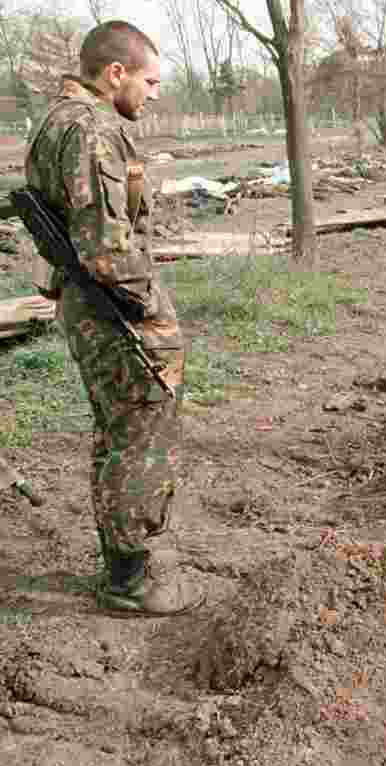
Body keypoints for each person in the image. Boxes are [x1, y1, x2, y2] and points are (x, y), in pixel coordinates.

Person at [23, 21, 204, 615]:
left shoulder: (53, 121)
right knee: (143, 431)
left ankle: (123, 563)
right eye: (150, 81)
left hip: (86, 304)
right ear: (115, 72)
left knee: (116, 432)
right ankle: (130, 582)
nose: (155, 93)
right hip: (113, 306)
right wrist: (154, 309)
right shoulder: (93, 128)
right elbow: (105, 250)